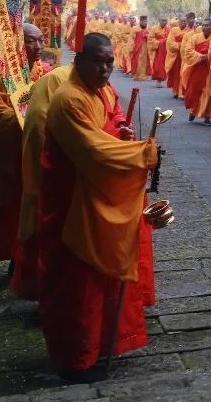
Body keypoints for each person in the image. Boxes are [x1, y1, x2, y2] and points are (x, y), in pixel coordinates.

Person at [38, 33, 163, 383]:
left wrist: (123, 130)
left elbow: (111, 122)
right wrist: (141, 153)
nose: (105, 68)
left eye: (109, 62)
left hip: (94, 196)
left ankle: (99, 346)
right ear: (78, 60)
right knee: (75, 286)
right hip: (72, 205)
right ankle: (74, 359)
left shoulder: (101, 91)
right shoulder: (69, 100)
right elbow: (95, 151)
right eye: (98, 61)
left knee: (99, 283)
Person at [0, 23, 45, 290]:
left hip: (31, 156)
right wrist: (27, 120)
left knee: (27, 211)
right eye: (30, 41)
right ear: (16, 44)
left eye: (40, 41)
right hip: (4, 157)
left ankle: (18, 262)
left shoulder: (43, 73)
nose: (37, 47)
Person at [11, 60, 73, 302]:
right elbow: (37, 127)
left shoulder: (96, 84)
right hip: (51, 172)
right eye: (30, 40)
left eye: (109, 62)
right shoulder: (53, 82)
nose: (104, 69)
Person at [182, 15, 211, 121]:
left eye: (207, 25)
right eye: (203, 25)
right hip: (197, 67)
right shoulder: (195, 37)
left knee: (208, 92)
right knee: (195, 90)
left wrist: (210, 56)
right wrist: (200, 56)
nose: (204, 27)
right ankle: (194, 111)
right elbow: (188, 50)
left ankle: (207, 116)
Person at [168, 13, 196, 99]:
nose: (183, 23)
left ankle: (183, 92)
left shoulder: (191, 31)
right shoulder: (174, 30)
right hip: (177, 56)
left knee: (185, 73)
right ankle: (176, 91)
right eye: (182, 21)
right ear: (178, 22)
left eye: (185, 21)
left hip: (185, 56)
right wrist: (180, 46)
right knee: (177, 74)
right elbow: (170, 43)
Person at [150, 17, 170, 86]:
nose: (164, 22)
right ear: (159, 21)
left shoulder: (168, 29)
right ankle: (159, 80)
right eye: (163, 20)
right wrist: (159, 42)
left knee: (167, 64)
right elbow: (151, 39)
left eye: (165, 20)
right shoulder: (154, 29)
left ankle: (168, 81)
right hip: (158, 50)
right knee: (159, 65)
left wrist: (166, 41)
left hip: (167, 50)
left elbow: (171, 39)